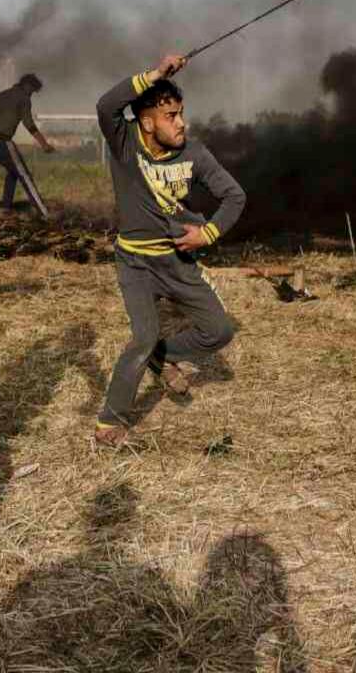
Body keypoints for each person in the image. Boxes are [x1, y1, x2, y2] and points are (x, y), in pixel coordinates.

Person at [92, 55, 245, 447]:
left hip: (177, 260)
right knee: (142, 336)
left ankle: (162, 356)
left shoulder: (194, 153)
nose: (181, 123)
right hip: (135, 263)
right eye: (171, 116)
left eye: (181, 114)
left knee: (219, 330)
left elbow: (234, 195)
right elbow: (106, 106)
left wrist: (207, 233)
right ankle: (110, 423)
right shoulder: (125, 144)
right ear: (146, 122)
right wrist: (156, 74)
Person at [0, 73, 53, 217]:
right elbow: (29, 124)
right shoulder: (24, 98)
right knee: (24, 175)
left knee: (13, 173)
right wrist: (44, 145)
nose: (32, 95)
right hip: (3, 142)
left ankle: (5, 208)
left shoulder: (1, 95)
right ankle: (43, 212)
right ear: (27, 86)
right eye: (32, 91)